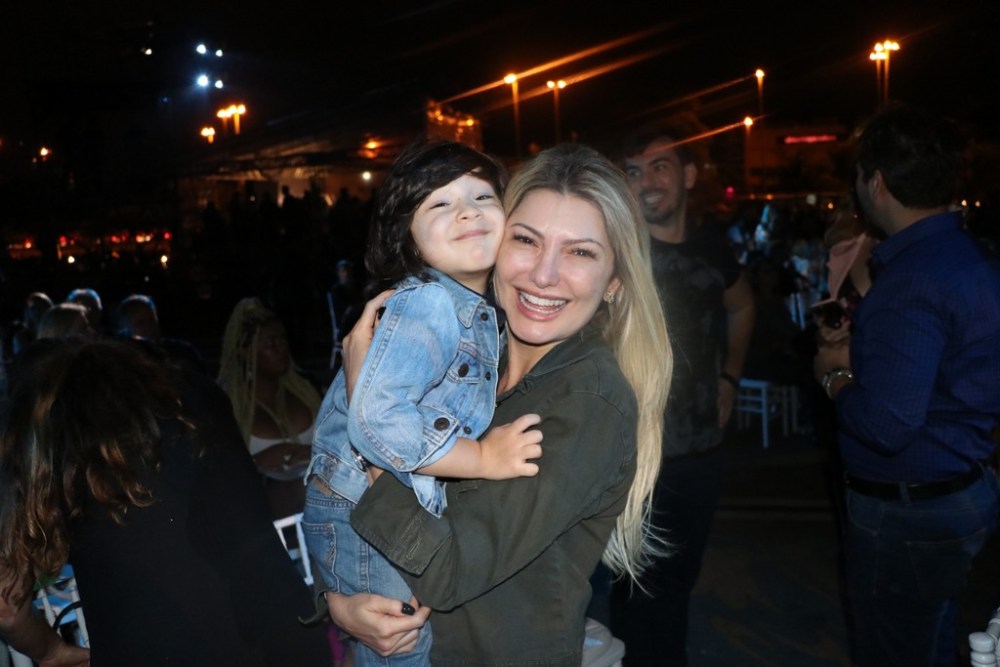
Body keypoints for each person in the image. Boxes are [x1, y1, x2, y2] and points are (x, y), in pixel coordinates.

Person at [320, 143, 672, 665]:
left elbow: (447, 571)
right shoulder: (464, 350)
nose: (544, 275)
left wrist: (366, 417)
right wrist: (340, 602)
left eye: (580, 252)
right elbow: (335, 491)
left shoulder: (587, 401)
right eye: (526, 240)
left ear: (615, 281)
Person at [303, 140, 544, 666]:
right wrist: (483, 458)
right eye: (439, 203)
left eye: (482, 196)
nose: (467, 211)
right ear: (406, 238)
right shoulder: (430, 303)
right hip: (356, 505)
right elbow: (376, 421)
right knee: (404, 646)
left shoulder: (479, 311)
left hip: (371, 501)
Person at [0, 338, 331, 666]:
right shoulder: (192, 394)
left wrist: (50, 651)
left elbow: (7, 607)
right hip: (289, 636)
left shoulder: (51, 442)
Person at [814, 104, 1000, 666]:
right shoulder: (967, 257)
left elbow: (886, 424)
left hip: (912, 508)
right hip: (961, 482)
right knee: (931, 633)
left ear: (876, 181)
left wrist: (835, 374)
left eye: (858, 175)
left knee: (895, 649)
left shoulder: (914, 278)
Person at [611, 119, 755, 665]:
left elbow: (744, 304)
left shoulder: (713, 249)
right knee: (634, 586)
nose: (646, 182)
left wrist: (730, 376)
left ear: (689, 175)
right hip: (632, 452)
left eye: (660, 167)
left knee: (677, 584)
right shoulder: (616, 253)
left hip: (699, 449)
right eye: (633, 172)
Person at [218, 298, 323, 518]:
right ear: (245, 351)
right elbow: (219, 471)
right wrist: (258, 462)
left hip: (319, 501)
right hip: (264, 512)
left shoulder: (306, 389)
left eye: (283, 339)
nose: (281, 347)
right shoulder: (228, 406)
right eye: (270, 343)